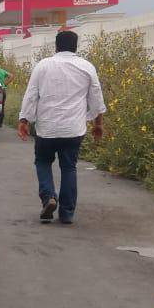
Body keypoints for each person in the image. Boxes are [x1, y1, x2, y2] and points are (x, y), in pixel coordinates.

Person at [17, 30, 106, 225]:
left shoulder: (43, 66)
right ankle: (66, 214)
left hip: (47, 128)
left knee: (42, 162)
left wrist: (24, 120)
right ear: (76, 47)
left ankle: (49, 197)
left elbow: (31, 95)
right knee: (68, 167)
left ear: (56, 47)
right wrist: (98, 124)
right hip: (73, 129)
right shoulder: (87, 67)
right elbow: (96, 98)